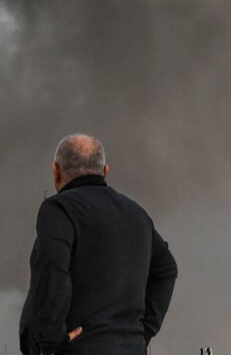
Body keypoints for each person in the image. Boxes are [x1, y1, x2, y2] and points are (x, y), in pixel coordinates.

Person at [19, 133, 178, 355]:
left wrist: (51, 340)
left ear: (56, 171)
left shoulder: (59, 210)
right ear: (105, 171)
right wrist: (142, 332)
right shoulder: (136, 214)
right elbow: (167, 268)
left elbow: (52, 269)